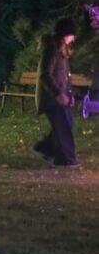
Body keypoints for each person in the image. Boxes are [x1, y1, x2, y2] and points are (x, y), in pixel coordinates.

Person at [32, 18, 80, 168]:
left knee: (67, 122)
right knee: (63, 125)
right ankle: (66, 160)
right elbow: (45, 75)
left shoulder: (62, 51)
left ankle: (45, 149)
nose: (73, 38)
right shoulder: (52, 50)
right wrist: (58, 93)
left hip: (61, 96)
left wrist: (70, 94)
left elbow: (65, 76)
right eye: (72, 35)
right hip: (52, 98)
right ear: (66, 34)